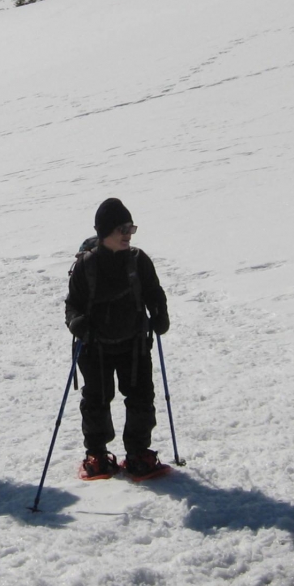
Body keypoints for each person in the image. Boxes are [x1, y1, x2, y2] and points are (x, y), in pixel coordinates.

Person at [64, 198, 170, 479]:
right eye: (122, 229)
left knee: (141, 397)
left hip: (134, 344)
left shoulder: (138, 260)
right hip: (95, 346)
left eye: (130, 228)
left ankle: (138, 453)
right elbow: (72, 305)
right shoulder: (86, 266)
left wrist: (160, 314)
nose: (128, 234)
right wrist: (77, 323)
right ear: (104, 232)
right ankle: (97, 454)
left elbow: (154, 292)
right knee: (96, 399)